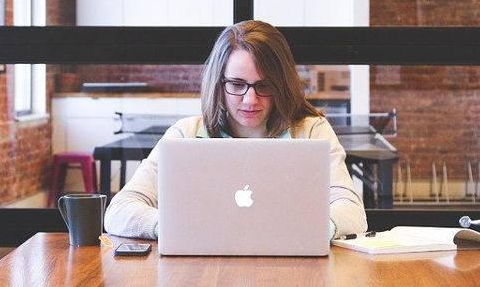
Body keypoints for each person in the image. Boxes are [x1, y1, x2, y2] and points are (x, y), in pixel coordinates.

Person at [103, 20, 368, 240]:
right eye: (237, 84)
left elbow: (353, 212)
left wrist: (309, 231)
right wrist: (174, 228)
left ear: (282, 84)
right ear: (219, 83)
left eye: (264, 86)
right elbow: (119, 211)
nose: (250, 100)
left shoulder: (311, 131)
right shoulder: (186, 134)